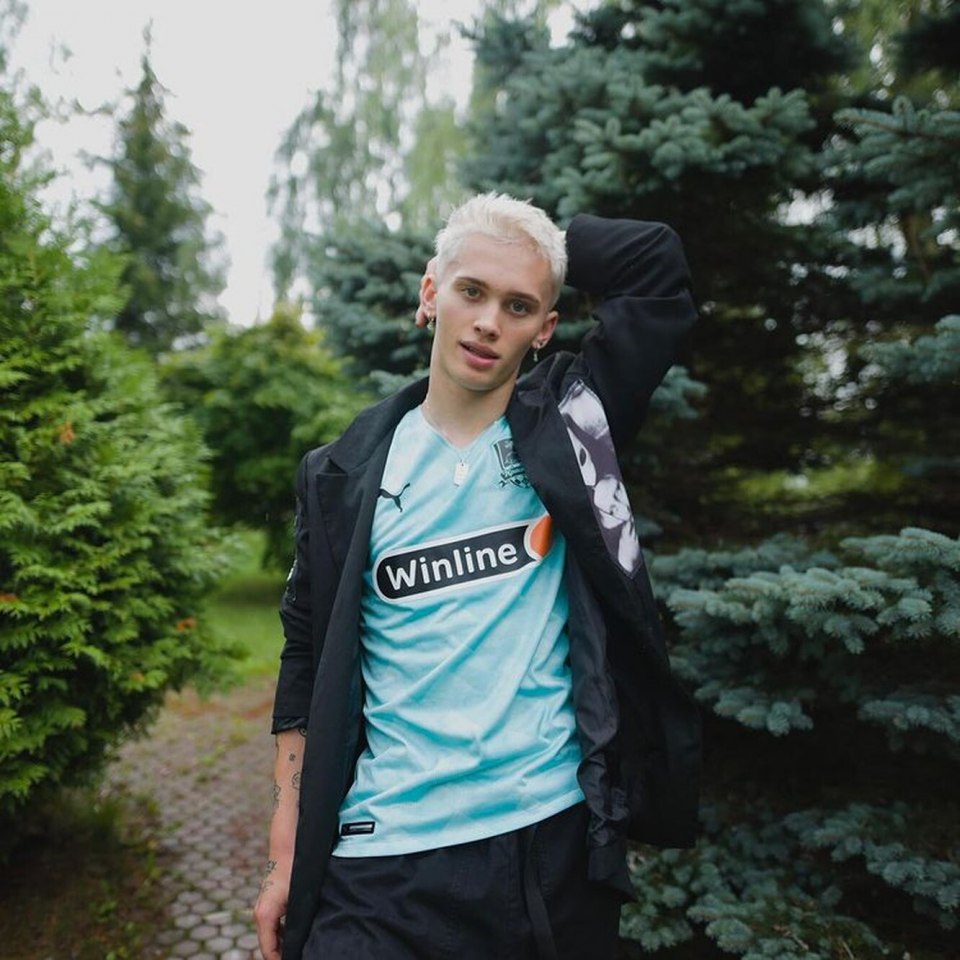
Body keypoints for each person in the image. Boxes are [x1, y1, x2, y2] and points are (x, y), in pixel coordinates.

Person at [254, 193, 701, 960]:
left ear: (544, 329)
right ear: (431, 293)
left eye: (518, 305)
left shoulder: (571, 425)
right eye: (472, 290)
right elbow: (303, 666)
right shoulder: (338, 477)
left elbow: (656, 270)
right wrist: (285, 855)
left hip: (549, 849)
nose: (490, 321)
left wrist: (538, 245)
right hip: (384, 861)